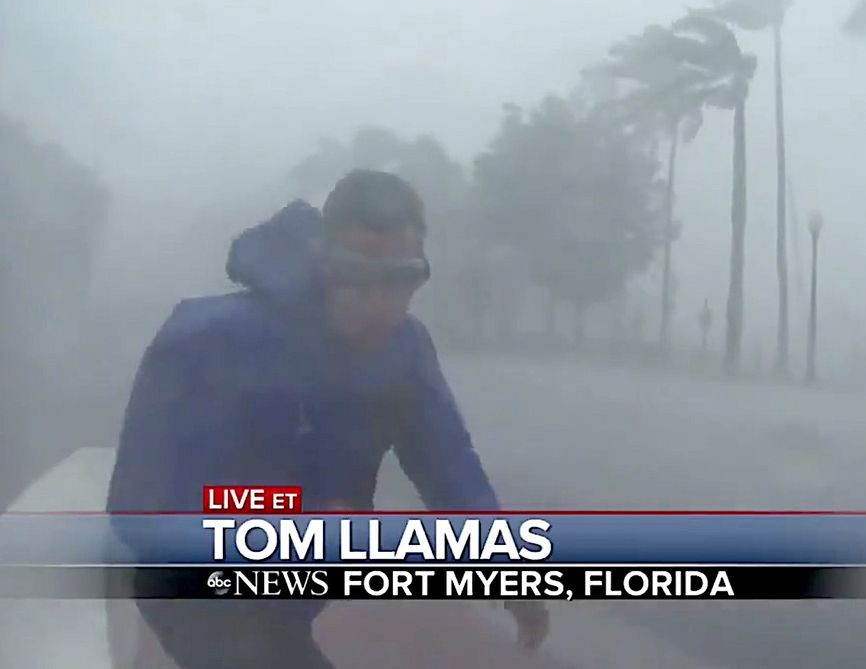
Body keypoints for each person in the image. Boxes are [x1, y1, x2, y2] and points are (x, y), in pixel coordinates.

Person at [106, 170, 549, 669]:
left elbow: (451, 468)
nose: (380, 307)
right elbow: (144, 505)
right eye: (359, 281)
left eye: (401, 282)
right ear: (323, 265)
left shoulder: (404, 353)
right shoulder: (210, 342)